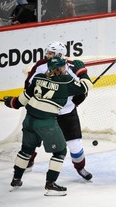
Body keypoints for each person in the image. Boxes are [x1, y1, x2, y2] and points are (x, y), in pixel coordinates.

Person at [4, 56, 93, 195]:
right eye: (64, 66)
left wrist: (10, 101)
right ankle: (50, 184)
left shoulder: (38, 78)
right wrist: (82, 71)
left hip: (29, 121)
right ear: (60, 69)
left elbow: (21, 100)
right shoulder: (66, 81)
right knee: (60, 152)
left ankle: (16, 179)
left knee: (26, 150)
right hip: (46, 123)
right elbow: (86, 86)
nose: (66, 68)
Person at [24, 41, 93, 181]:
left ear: (60, 54)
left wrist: (75, 101)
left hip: (66, 113)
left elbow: (83, 89)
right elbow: (29, 84)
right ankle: (27, 161)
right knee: (32, 139)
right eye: (47, 53)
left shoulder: (73, 67)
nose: (47, 55)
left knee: (75, 143)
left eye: (50, 53)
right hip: (44, 111)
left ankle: (80, 168)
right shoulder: (40, 66)